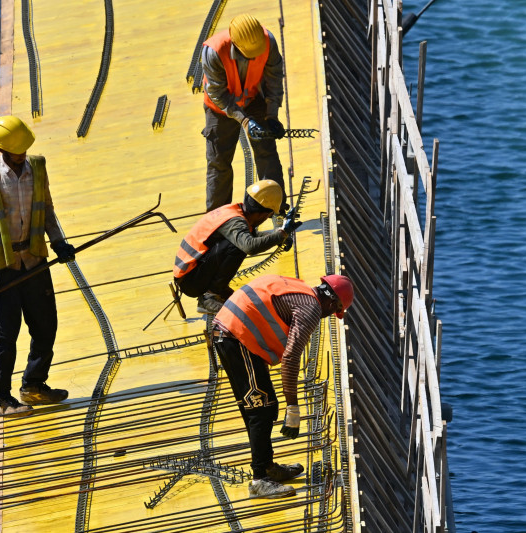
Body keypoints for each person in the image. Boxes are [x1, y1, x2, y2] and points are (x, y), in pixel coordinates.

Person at [212, 274, 354, 498]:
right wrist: (293, 407)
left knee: (258, 407)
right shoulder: (311, 309)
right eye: (332, 311)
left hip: (232, 333)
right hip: (235, 337)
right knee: (261, 410)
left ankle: (267, 467)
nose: (326, 316)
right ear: (331, 303)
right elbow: (290, 359)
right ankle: (260, 480)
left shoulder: (301, 289)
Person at [0, 116, 77, 417]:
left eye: (23, 150)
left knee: (46, 326)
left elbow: (46, 209)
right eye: (15, 151)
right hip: (6, 265)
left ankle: (34, 384)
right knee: (7, 336)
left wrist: (59, 242)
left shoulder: (38, 169)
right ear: (3, 150)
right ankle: (1, 398)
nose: (21, 156)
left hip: (34, 259)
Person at [174, 180, 301, 315]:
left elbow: (253, 234)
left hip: (190, 273)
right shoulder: (235, 222)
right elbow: (250, 246)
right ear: (262, 214)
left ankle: (218, 289)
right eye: (269, 216)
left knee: (241, 241)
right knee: (238, 246)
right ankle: (210, 296)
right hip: (190, 280)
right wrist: (281, 234)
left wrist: (278, 237)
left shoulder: (235, 212)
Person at [201, 13, 286, 212]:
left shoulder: (268, 42)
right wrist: (245, 121)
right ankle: (217, 217)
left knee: (266, 151)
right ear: (236, 46)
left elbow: (274, 79)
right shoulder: (213, 52)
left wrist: (272, 115)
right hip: (220, 109)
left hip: (252, 98)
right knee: (219, 163)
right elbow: (217, 93)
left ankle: (275, 205)